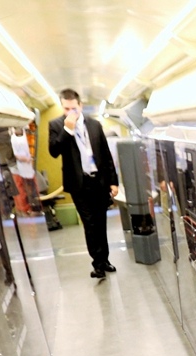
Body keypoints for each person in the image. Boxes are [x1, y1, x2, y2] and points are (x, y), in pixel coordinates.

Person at [48, 88, 119, 278]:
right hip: (79, 184)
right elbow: (54, 151)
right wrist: (67, 130)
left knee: (101, 222)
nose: (70, 112)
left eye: (73, 108)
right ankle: (97, 263)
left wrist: (113, 181)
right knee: (89, 224)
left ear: (80, 105)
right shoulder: (56, 125)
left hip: (99, 181)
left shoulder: (95, 125)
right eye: (66, 108)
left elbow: (106, 154)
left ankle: (105, 260)